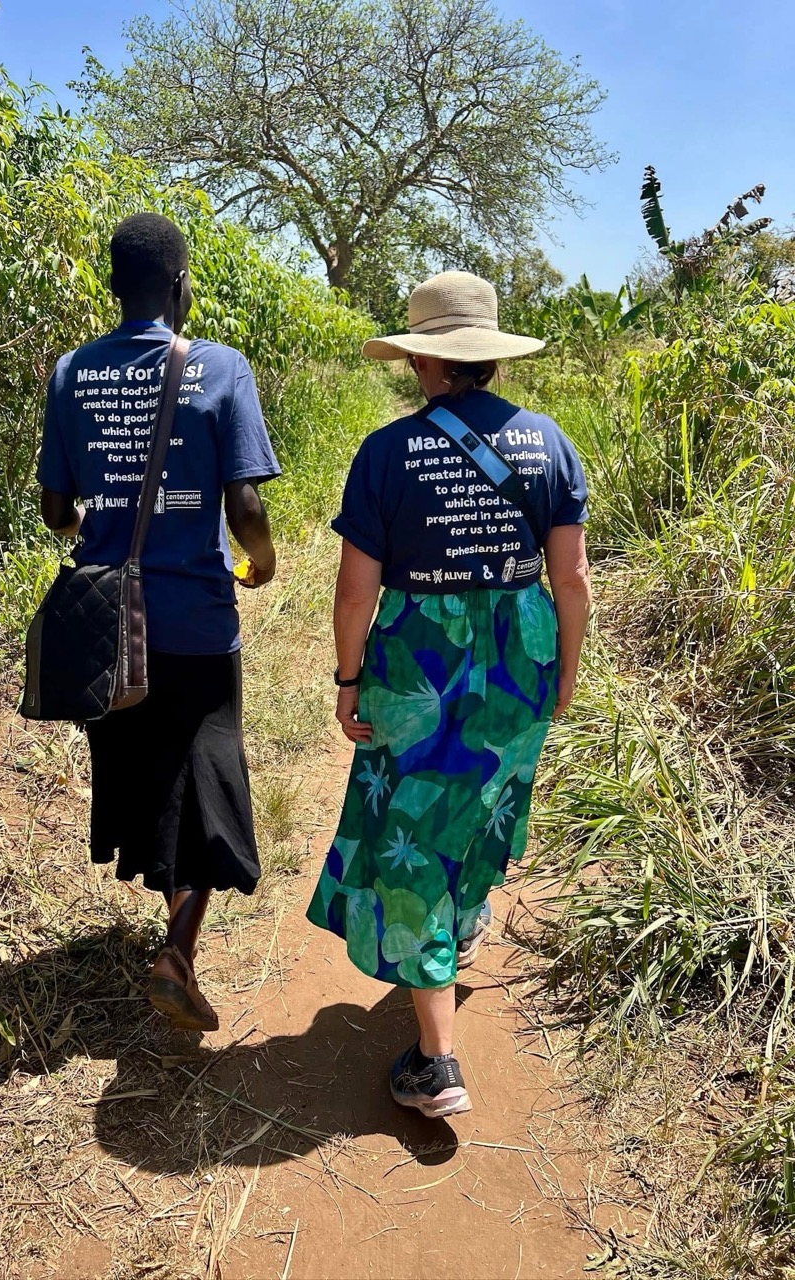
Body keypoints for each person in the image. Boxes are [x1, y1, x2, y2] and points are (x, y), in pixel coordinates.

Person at [306, 272, 591, 1118]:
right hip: (523, 650)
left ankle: (438, 1064)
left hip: (419, 661)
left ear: (425, 359)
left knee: (414, 826)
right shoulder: (550, 443)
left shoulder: (387, 452)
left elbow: (356, 594)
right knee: (487, 798)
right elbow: (570, 577)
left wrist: (349, 678)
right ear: (489, 359)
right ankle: (458, 926)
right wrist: (566, 669)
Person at [37, 213, 280, 1033]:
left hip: (109, 623)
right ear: (181, 287)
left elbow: (55, 511)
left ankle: (172, 939)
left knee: (149, 771)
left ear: (113, 288)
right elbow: (244, 502)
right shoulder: (221, 368)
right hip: (198, 619)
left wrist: (93, 525)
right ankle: (177, 949)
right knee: (204, 774)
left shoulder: (72, 374)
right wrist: (266, 560)